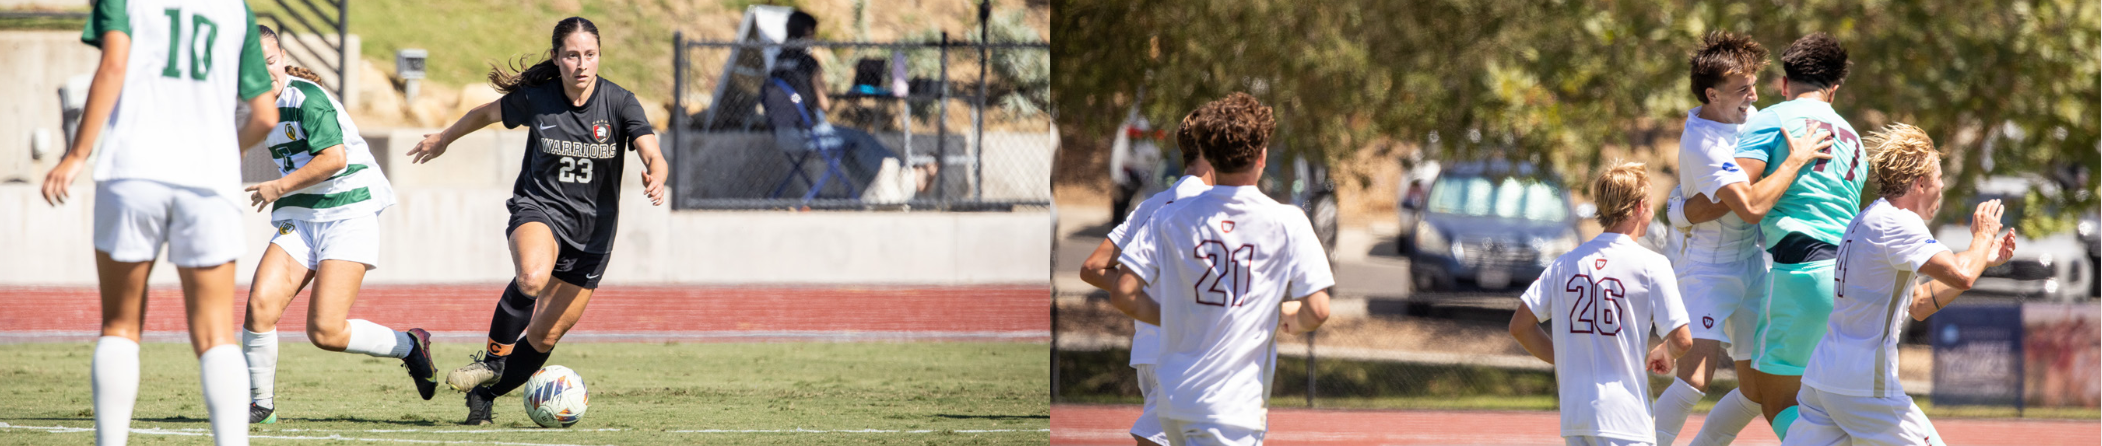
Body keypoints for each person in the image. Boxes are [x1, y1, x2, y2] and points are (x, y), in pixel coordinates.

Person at [405, 16, 670, 425]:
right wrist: (444, 138)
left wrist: (657, 173)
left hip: (593, 237)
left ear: (599, 56)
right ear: (556, 57)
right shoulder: (538, 98)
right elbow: (484, 113)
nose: (581, 64)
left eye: (590, 55)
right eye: (572, 55)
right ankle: (493, 360)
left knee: (545, 335)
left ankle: (485, 393)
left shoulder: (619, 102)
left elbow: (652, 151)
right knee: (532, 277)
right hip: (539, 210)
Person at [41, 0, 279, 443]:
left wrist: (76, 155)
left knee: (120, 327)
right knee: (215, 335)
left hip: (133, 169)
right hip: (209, 180)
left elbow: (113, 65)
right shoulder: (236, 11)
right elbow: (265, 115)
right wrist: (224, 153)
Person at [237, 25, 435, 425]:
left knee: (325, 332)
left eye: (271, 62)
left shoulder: (307, 98)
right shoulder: (253, 105)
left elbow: (334, 158)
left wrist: (278, 186)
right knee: (259, 305)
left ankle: (409, 345)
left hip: (349, 211)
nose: (266, 73)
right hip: (303, 215)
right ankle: (261, 405)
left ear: (282, 58)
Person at [1110, 92, 1334, 446]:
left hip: (1173, 402)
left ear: (1209, 157)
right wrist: (1278, 318)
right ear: (1262, 157)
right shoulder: (1287, 221)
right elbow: (1317, 309)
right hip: (1230, 409)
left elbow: (1124, 291)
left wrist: (1177, 318)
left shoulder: (1169, 215)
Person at [1651, 31, 1835, 446]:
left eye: (1753, 85)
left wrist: (1683, 208)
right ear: (1712, 94)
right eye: (1741, 90)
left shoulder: (1750, 119)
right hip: (1707, 269)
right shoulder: (1702, 141)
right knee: (1694, 381)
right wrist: (1795, 160)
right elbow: (1749, 206)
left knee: (1756, 391)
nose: (1752, 96)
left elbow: (1728, 202)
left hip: (1753, 264)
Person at [1782, 124, 2015, 445]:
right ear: (1920, 183)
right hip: (1862, 384)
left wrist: (1982, 260)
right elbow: (1962, 274)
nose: (1943, 185)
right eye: (1939, 177)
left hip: (1824, 378)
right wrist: (1984, 235)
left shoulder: (1870, 218)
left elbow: (1919, 303)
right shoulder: (1897, 221)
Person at [1727, 32, 1866, 438]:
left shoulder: (1773, 119)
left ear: (1785, 84)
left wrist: (1682, 209)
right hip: (1850, 282)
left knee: (1776, 402)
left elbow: (1738, 196)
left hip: (1800, 275)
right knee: (1827, 406)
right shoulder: (1854, 138)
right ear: (1834, 90)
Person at [1510, 162, 1693, 446]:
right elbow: (1682, 340)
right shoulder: (1652, 265)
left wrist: (1565, 360)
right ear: (1639, 207)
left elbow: (1520, 326)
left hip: (1576, 417)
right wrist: (1667, 351)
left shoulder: (1565, 263)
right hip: (1626, 420)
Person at [1079, 109, 1217, 446]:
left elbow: (1093, 267)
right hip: (1182, 352)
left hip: (1147, 353)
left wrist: (1146, 293)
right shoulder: (1206, 205)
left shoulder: (1152, 204)